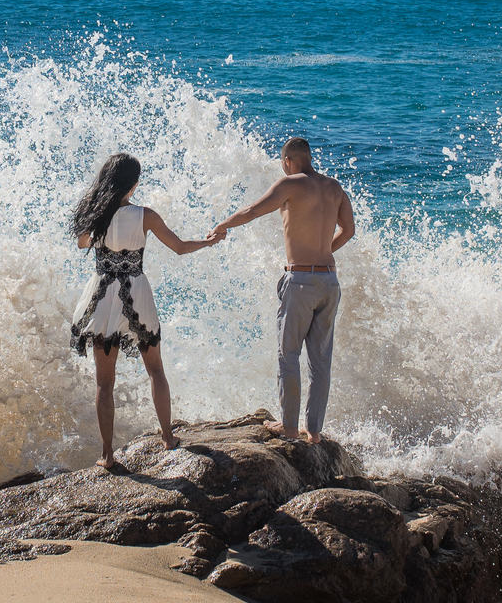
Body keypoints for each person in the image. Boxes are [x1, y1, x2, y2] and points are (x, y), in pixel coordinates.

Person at [70, 152, 220, 470]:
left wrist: (98, 217)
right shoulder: (145, 215)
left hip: (101, 295)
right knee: (156, 370)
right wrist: (208, 242)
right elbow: (179, 247)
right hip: (137, 293)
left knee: (104, 383)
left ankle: (108, 455)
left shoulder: (96, 214)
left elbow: (83, 243)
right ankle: (167, 437)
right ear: (134, 184)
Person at [210, 136, 355, 444]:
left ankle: (289, 427)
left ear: (288, 161)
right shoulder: (334, 187)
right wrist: (324, 251)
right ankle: (313, 430)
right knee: (320, 360)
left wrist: (223, 225)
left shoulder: (290, 184)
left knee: (288, 354)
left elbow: (251, 211)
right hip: (329, 280)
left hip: (300, 280)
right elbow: (349, 230)